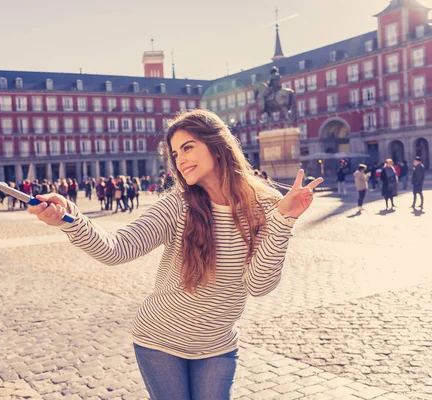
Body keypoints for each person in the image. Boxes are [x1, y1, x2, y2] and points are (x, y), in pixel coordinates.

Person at [27, 109, 323, 399]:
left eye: (188, 148)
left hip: (217, 345)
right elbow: (116, 250)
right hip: (158, 341)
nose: (180, 159)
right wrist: (71, 219)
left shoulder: (265, 206)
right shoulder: (177, 206)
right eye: (175, 153)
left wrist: (284, 221)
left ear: (217, 146)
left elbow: (258, 285)